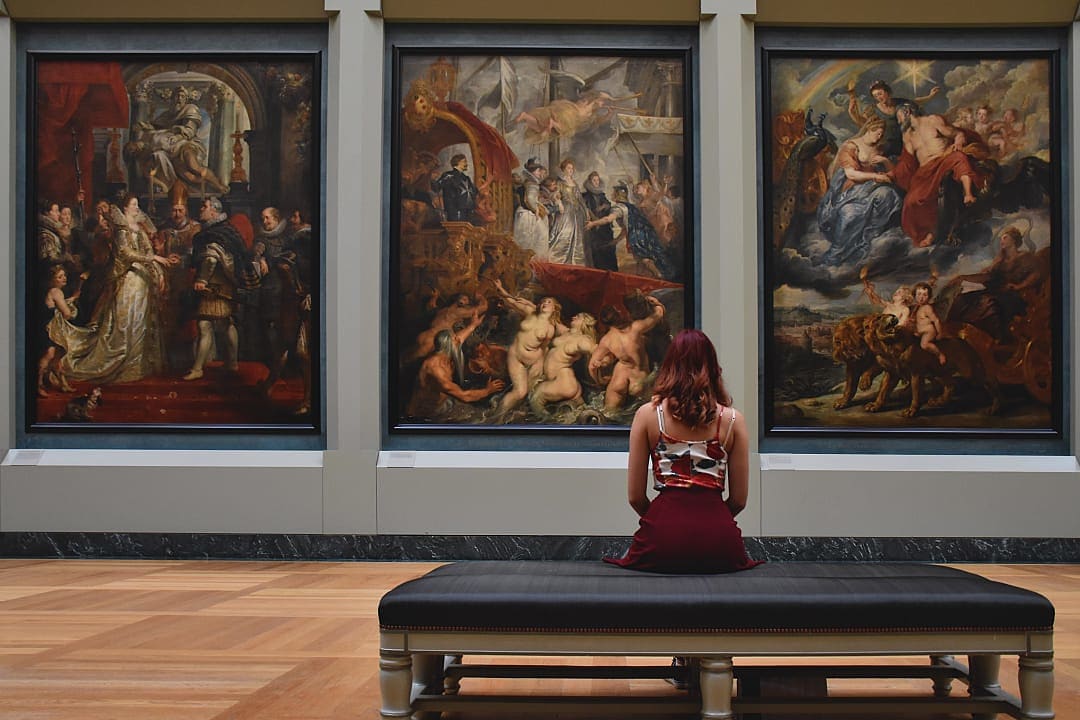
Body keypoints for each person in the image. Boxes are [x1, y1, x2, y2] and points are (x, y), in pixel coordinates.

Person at [605, 329, 762, 574]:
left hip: (661, 538)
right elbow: (739, 500)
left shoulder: (647, 415)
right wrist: (709, 521)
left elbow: (635, 497)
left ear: (669, 365)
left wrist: (665, 522)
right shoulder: (733, 421)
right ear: (712, 366)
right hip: (719, 542)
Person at [55, 195, 176, 384]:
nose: (137, 208)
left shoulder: (139, 227)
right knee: (125, 322)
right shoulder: (121, 228)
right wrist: (152, 260)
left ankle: (139, 364)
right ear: (125, 208)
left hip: (142, 280)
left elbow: (147, 251)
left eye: (137, 205)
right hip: (128, 279)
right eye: (134, 205)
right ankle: (122, 361)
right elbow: (124, 253)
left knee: (140, 322)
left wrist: (158, 268)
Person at [889, 102, 988, 247]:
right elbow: (907, 162)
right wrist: (892, 171)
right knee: (911, 201)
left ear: (908, 112)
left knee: (959, 158)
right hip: (924, 172)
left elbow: (955, 133)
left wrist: (959, 138)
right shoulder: (907, 136)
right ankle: (930, 232)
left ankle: (968, 194)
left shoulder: (932, 121)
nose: (899, 122)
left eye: (899, 118)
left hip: (943, 160)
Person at [183, 197, 257, 381]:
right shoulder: (225, 231)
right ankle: (231, 363)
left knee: (205, 325)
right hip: (225, 285)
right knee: (226, 324)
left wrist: (201, 279)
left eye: (205, 207)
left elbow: (211, 258)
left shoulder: (215, 233)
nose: (201, 209)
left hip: (213, 287)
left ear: (214, 212)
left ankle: (198, 368)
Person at [816, 118, 903, 265]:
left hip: (873, 187)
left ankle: (866, 238)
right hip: (853, 190)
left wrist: (884, 161)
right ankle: (836, 255)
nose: (879, 137)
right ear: (869, 129)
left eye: (882, 135)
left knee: (889, 196)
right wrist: (875, 176)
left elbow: (892, 174)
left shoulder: (880, 148)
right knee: (850, 214)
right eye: (878, 134)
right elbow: (851, 174)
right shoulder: (851, 146)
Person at [492, 278, 566, 420]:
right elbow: (511, 302)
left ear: (554, 308)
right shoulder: (530, 312)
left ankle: (519, 417)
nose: (545, 303)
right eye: (543, 301)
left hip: (534, 361)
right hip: (516, 356)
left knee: (529, 394)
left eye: (549, 302)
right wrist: (500, 288)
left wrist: (539, 365)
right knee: (519, 392)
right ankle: (495, 420)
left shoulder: (551, 328)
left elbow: (544, 348)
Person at [588, 294, 665, 412]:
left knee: (609, 414)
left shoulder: (606, 340)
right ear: (619, 315)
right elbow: (658, 314)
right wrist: (656, 303)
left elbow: (591, 366)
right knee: (653, 413)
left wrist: (600, 382)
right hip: (639, 380)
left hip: (619, 380)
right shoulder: (636, 328)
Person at [847, 79, 940, 159]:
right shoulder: (873, 110)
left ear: (887, 92)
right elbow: (862, 122)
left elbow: (916, 101)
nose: (879, 97)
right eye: (875, 96)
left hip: (905, 142)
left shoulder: (899, 102)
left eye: (880, 94)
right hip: (887, 146)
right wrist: (852, 113)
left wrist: (930, 96)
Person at [530, 312, 598, 413]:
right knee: (581, 415)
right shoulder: (566, 332)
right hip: (564, 383)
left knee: (536, 398)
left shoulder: (583, 339)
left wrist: (599, 359)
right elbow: (554, 320)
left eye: (578, 316)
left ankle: (546, 425)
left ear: (585, 322)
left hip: (563, 382)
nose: (573, 316)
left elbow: (593, 349)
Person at [548, 158, 588, 266]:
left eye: (572, 168)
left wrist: (586, 212)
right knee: (563, 234)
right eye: (568, 168)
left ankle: (575, 262)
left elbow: (580, 199)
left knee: (577, 237)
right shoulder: (560, 183)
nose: (571, 170)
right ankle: (558, 260)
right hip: (565, 212)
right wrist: (559, 202)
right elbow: (554, 195)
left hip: (577, 213)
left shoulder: (575, 183)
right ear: (564, 169)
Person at [513, 158, 550, 259]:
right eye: (538, 171)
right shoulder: (532, 183)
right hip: (527, 215)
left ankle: (533, 261)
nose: (540, 173)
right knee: (540, 236)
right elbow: (529, 199)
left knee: (532, 238)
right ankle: (535, 261)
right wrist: (536, 210)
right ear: (532, 171)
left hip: (523, 212)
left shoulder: (528, 182)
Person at [581, 171, 618, 271]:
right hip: (593, 227)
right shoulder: (585, 196)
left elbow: (608, 204)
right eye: (594, 180)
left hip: (605, 226)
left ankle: (611, 270)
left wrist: (603, 207)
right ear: (590, 181)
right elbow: (585, 209)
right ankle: (599, 270)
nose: (596, 182)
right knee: (596, 249)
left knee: (608, 247)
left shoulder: (601, 194)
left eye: (597, 180)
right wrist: (593, 218)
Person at [433, 154, 479, 223]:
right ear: (458, 162)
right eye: (464, 161)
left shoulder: (467, 178)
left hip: (468, 212)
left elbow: (475, 192)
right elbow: (436, 187)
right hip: (454, 211)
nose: (466, 163)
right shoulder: (448, 176)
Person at [913, 281, 946, 365]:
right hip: (920, 332)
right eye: (919, 294)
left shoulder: (927, 308)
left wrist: (940, 333)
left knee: (924, 345)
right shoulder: (917, 308)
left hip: (929, 332)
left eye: (925, 295)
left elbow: (936, 320)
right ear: (915, 295)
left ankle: (940, 355)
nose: (921, 297)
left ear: (929, 297)